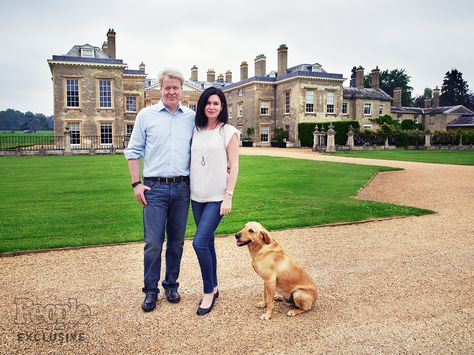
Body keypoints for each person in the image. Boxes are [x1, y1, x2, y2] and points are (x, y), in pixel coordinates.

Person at [124, 68, 195, 312]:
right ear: (160, 89)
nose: (172, 91)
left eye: (176, 87)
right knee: (153, 243)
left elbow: (203, 148)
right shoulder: (146, 115)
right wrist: (136, 183)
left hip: (182, 188)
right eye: (168, 87)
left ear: (181, 89)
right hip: (154, 188)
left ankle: (171, 284)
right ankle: (151, 291)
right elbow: (133, 151)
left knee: (176, 243)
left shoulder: (190, 117)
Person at [190, 87, 240, 316]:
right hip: (196, 196)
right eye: (208, 103)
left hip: (217, 197)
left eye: (216, 103)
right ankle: (215, 285)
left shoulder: (228, 131)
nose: (212, 106)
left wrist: (228, 195)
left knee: (199, 243)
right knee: (207, 242)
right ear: (203, 105)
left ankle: (208, 291)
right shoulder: (196, 129)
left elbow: (234, 164)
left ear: (222, 107)